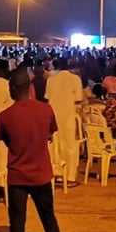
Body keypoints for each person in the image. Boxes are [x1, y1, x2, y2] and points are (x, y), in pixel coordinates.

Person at [0, 67, 65, 232]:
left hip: (17, 175)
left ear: (13, 88)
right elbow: (50, 133)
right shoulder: (45, 110)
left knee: (17, 222)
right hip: (41, 173)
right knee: (48, 217)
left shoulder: (5, 116)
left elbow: (6, 141)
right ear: (29, 87)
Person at [44, 58, 83, 188]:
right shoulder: (75, 79)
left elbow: (47, 97)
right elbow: (78, 98)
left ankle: (56, 173)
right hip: (68, 116)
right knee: (70, 146)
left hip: (53, 117)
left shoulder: (51, 80)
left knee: (55, 145)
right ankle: (70, 176)